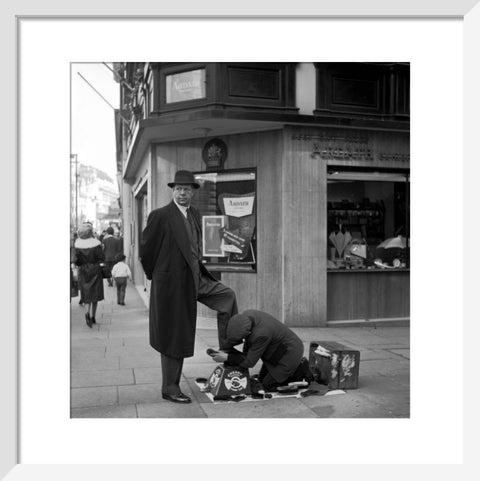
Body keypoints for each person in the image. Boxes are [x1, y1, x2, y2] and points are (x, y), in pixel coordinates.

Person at [140, 170, 238, 404]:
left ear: (193, 192)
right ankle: (170, 387)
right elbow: (146, 252)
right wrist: (162, 278)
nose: (182, 193)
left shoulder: (194, 213)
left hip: (196, 279)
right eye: (178, 189)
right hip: (173, 285)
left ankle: (227, 353)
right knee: (175, 334)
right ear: (173, 191)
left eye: (186, 189)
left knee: (227, 297)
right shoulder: (160, 215)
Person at [211, 309, 314, 392]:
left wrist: (227, 357)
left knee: (268, 386)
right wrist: (227, 352)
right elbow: (247, 352)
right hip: (276, 352)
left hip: (290, 352)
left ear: (249, 332)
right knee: (260, 380)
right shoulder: (246, 317)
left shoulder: (261, 334)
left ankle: (300, 369)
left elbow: (249, 362)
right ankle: (289, 371)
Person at [74, 222, 105, 328]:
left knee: (86, 294)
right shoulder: (96, 243)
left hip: (83, 270)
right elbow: (101, 258)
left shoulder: (77, 244)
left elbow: (77, 261)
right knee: (95, 294)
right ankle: (93, 316)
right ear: (90, 232)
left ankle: (86, 313)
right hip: (95, 270)